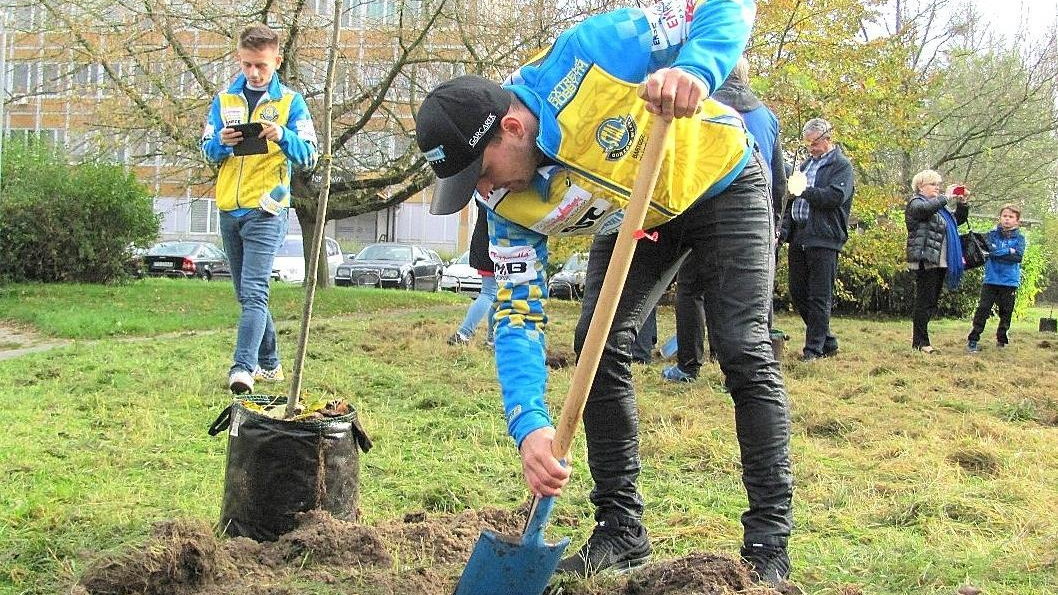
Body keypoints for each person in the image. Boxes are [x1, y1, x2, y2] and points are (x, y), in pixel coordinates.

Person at [414, 0, 793, 585]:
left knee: (742, 347)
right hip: (638, 216)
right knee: (598, 345)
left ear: (511, 128)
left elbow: (727, 6)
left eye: (479, 173)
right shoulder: (505, 204)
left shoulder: (592, 51)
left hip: (721, 181)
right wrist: (529, 425)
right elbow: (517, 315)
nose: (481, 191)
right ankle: (622, 529)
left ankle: (768, 545)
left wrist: (694, 69)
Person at [201, 24, 318, 394]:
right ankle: (271, 362)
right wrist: (220, 142)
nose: (254, 72)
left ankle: (243, 368)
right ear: (240, 59)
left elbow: (310, 156)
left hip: (268, 210)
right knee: (245, 295)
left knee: (254, 292)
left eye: (262, 66)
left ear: (277, 62)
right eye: (248, 64)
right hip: (229, 209)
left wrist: (281, 135)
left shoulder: (291, 103)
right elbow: (206, 150)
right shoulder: (223, 101)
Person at [663, 55, 788, 382]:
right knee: (749, 297)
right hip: (753, 213)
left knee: (691, 289)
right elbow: (778, 178)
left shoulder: (698, 107)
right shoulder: (767, 117)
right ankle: (745, 365)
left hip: (701, 207)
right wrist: (774, 222)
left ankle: (688, 364)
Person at [779, 118, 854, 361]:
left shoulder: (841, 166)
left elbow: (835, 197)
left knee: (819, 295)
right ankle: (828, 340)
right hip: (800, 235)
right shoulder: (804, 165)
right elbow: (793, 200)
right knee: (798, 291)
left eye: (814, 143)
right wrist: (785, 228)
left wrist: (804, 191)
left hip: (824, 236)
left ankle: (814, 349)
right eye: (808, 143)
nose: (811, 148)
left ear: (827, 139)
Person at [903, 169, 969, 353]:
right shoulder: (916, 203)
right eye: (933, 184)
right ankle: (921, 342)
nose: (937, 188)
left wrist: (962, 204)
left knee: (932, 301)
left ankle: (922, 340)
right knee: (924, 301)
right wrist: (946, 197)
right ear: (920, 186)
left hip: (941, 259)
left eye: (939, 185)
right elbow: (924, 211)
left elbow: (956, 221)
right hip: (926, 258)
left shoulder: (940, 208)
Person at [967, 204, 1025, 352]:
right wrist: (1007, 251)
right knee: (983, 309)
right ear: (1000, 218)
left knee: (1006, 311)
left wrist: (997, 253)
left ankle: (1002, 338)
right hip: (991, 279)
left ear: (1017, 221)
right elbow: (987, 251)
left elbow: (1017, 257)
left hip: (1009, 281)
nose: (1007, 219)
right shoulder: (991, 235)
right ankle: (973, 339)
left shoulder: (1020, 238)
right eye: (1004, 216)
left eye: (1011, 217)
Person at [448, 208, 498, 346]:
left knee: (495, 296)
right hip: (494, 243)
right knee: (489, 293)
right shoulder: (500, 192)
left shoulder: (482, 190)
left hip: (482, 241)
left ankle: (491, 339)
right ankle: (464, 333)